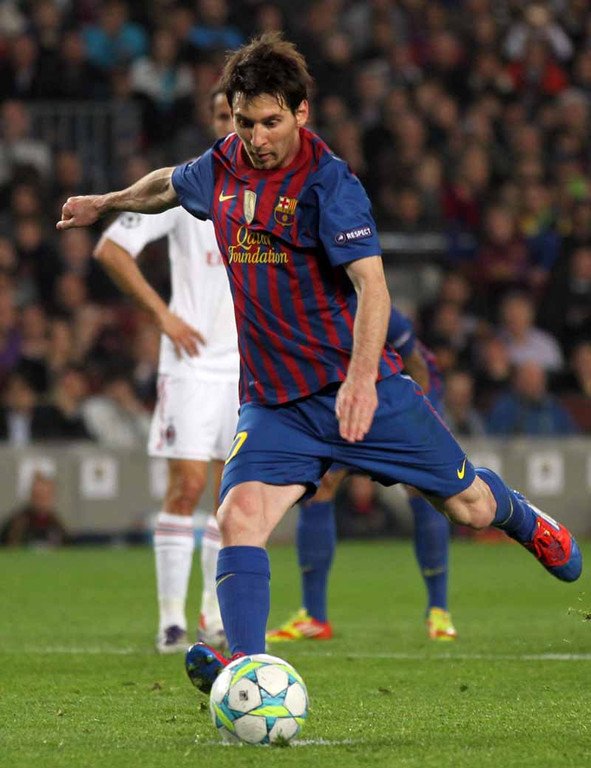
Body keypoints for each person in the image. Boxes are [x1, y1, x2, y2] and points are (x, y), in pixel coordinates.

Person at [56, 34, 582, 694]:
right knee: (238, 518)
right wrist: (104, 203)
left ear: (301, 112)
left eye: (270, 122)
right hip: (276, 403)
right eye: (244, 122)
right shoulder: (222, 164)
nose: (256, 138)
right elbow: (167, 183)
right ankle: (247, 672)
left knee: (469, 508)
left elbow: (373, 287)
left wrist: (361, 380)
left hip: (359, 389)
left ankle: (527, 520)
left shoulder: (328, 184)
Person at [93, 89, 237, 652]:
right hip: (192, 365)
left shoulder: (274, 192)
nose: (233, 126)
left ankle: (213, 617)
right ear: (213, 120)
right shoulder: (188, 185)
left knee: (234, 498)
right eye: (224, 116)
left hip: (247, 367)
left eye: (241, 117)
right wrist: (164, 317)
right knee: (188, 486)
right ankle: (171, 622)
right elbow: (111, 248)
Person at [267, 307, 459, 643]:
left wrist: (417, 425)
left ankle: (438, 611)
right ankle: (314, 616)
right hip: (348, 396)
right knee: (322, 484)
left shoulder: (377, 313)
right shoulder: (308, 316)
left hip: (407, 392)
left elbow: (417, 367)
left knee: (422, 487)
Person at [0, 471, 67, 547]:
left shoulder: (56, 525)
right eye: (38, 496)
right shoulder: (17, 524)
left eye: (46, 496)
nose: (42, 501)